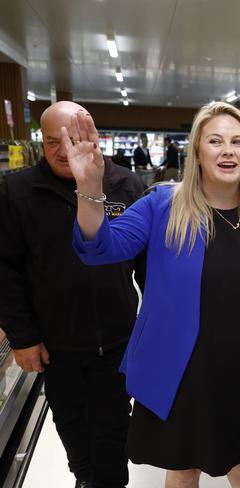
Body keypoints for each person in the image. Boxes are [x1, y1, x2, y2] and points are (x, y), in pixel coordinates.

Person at [68, 102, 240, 488]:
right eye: (216, 141)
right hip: (180, 370)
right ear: (198, 153)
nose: (228, 150)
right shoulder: (162, 206)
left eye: (238, 141)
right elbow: (99, 248)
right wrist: (89, 187)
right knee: (184, 470)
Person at [0, 101, 146, 488]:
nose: (64, 151)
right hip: (55, 342)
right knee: (70, 419)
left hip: (117, 338)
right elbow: (5, 270)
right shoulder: (17, 191)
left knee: (113, 422)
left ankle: (111, 482)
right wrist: (23, 337)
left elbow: (151, 265)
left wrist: (160, 328)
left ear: (93, 135)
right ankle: (84, 478)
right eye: (52, 142)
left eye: (74, 138)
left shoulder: (126, 185)